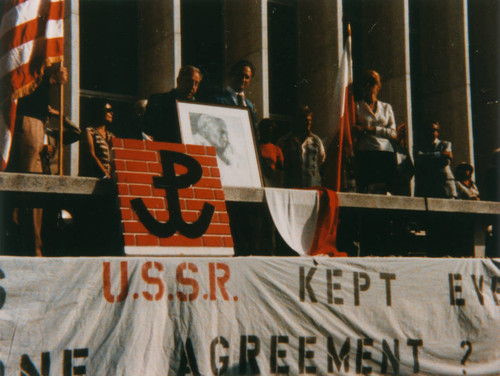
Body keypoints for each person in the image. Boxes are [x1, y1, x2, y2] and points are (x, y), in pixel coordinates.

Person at [6, 64, 67, 257]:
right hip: (28, 119)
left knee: (24, 184)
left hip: (27, 118)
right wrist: (52, 77)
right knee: (31, 183)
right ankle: (33, 250)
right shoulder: (37, 55)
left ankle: (23, 246)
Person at [353, 70, 397, 194]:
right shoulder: (356, 107)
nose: (368, 86)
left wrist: (370, 129)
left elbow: (393, 133)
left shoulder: (386, 107)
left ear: (378, 85)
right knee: (366, 189)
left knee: (385, 190)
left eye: (372, 83)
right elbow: (355, 130)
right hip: (365, 153)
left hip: (385, 153)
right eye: (365, 83)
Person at [143, 65, 203, 143]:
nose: (192, 87)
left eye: (196, 84)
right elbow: (148, 129)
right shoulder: (158, 100)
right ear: (178, 80)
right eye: (188, 81)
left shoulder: (197, 108)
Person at [278, 106, 325, 188]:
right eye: (305, 120)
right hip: (292, 189)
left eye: (310, 120)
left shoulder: (316, 141)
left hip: (312, 188)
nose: (308, 123)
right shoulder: (285, 141)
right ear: (298, 121)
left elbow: (321, 160)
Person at [215, 60, 258, 137]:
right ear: (232, 75)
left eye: (247, 77)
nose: (243, 80)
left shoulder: (250, 105)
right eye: (240, 75)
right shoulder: (218, 99)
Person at [415, 121, 457, 198]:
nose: (431, 133)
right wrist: (440, 154)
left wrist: (429, 157)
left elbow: (447, 158)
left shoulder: (445, 144)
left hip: (445, 183)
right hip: (430, 184)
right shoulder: (421, 146)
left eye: (434, 130)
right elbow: (421, 157)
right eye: (429, 130)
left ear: (438, 132)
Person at [79, 100, 115, 179]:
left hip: (110, 178)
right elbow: (92, 155)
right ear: (100, 112)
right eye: (108, 111)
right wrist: (105, 174)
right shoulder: (90, 131)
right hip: (97, 177)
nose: (111, 113)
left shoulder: (111, 135)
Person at [258, 118, 284, 187]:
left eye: (270, 131)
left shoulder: (276, 149)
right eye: (266, 131)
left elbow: (280, 170)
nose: (268, 134)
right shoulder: (254, 146)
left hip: (272, 182)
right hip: (259, 180)